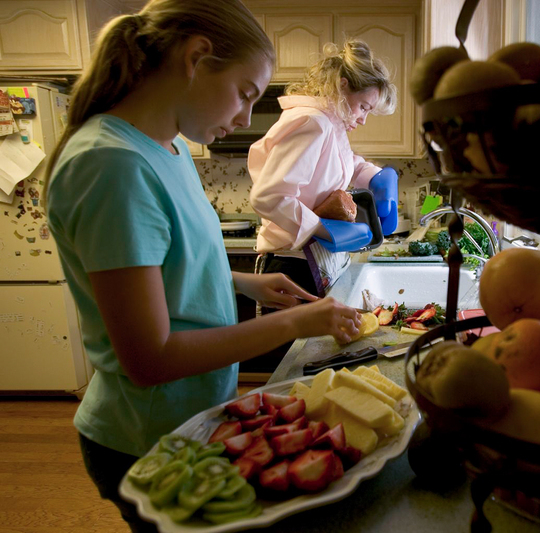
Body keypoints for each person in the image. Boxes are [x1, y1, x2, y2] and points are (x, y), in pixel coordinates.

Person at [42, 1, 362, 530]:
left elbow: (164, 270)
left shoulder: (165, 151)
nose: (243, 117)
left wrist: (243, 282)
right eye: (245, 93)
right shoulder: (111, 164)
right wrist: (294, 323)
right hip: (142, 436)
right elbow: (149, 357)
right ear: (197, 57)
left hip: (186, 419)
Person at [248, 39, 399, 300]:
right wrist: (322, 228)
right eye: (363, 107)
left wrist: (374, 175)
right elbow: (269, 197)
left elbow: (340, 162)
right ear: (343, 86)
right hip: (294, 267)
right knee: (297, 343)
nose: (363, 119)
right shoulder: (312, 122)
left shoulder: (329, 122)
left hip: (311, 262)